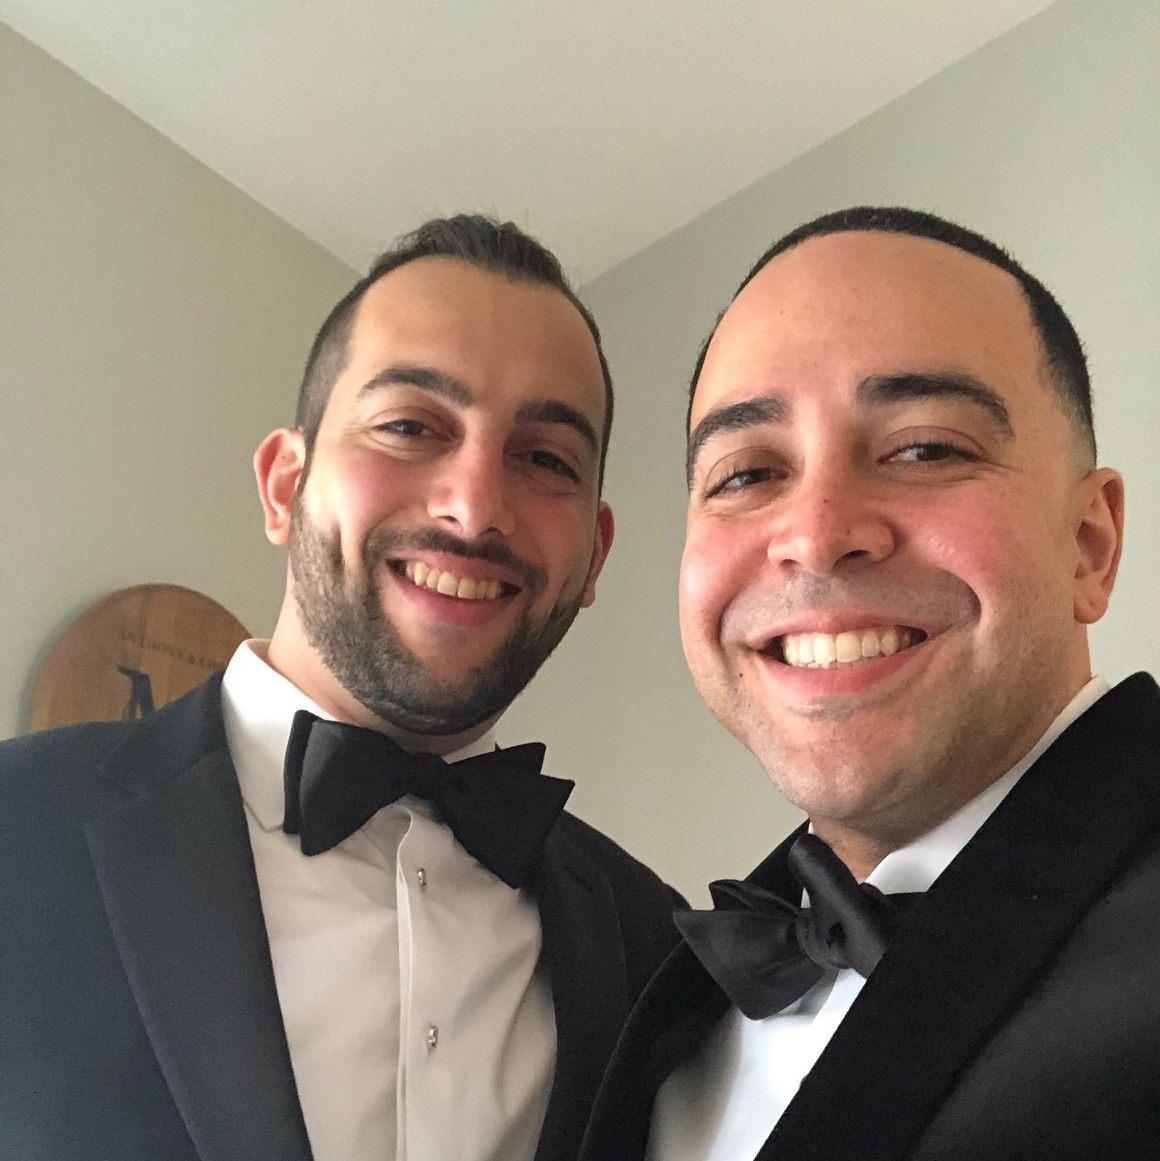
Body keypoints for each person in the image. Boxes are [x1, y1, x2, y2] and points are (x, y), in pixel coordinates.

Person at [0, 215, 681, 1161]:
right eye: (409, 426)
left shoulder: (658, 947)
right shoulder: (15, 823)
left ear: (594, 556)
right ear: (285, 484)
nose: (474, 505)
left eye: (544, 459)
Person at [581, 206, 1158, 1161]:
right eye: (746, 473)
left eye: (925, 448)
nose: (815, 533)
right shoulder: (664, 1005)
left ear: (1089, 545)